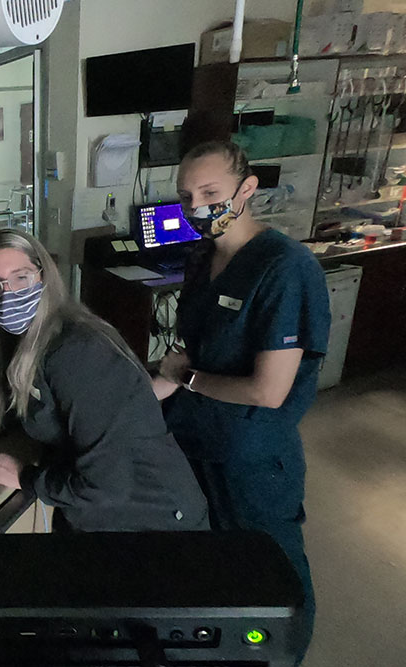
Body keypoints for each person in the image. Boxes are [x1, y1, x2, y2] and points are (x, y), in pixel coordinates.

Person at [154, 141, 330, 659]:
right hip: (195, 440)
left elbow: (268, 390)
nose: (196, 207)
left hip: (252, 454)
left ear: (247, 189)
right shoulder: (203, 257)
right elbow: (198, 348)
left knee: (272, 571)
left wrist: (186, 379)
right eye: (187, 197)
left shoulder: (284, 268)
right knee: (213, 563)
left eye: (210, 193)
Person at [0, 228, 208, 532]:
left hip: (153, 520)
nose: (9, 295)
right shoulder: (23, 343)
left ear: (43, 276)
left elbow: (104, 487)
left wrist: (26, 478)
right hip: (97, 513)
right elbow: (13, 409)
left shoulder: (75, 350)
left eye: (21, 277)